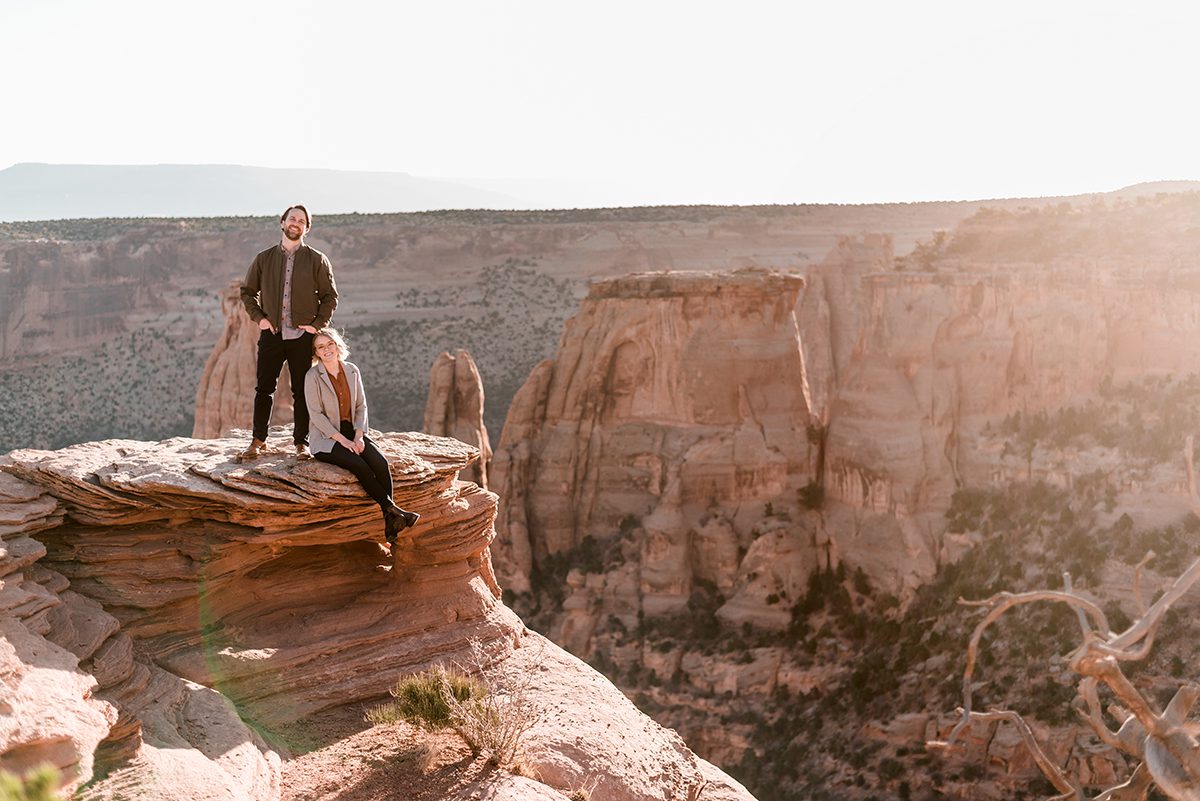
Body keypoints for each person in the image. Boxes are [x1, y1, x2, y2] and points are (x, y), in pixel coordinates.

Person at [238, 204, 339, 460]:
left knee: (302, 391)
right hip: (272, 334)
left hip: (301, 338)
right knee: (264, 389)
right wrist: (259, 318)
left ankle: (301, 443)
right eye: (292, 218)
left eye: (301, 221)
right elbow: (247, 292)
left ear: (307, 228)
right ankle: (258, 440)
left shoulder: (317, 260)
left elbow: (330, 297)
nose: (296, 223)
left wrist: (316, 326)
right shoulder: (264, 258)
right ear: (282, 223)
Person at [305, 328, 420, 545]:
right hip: (327, 438)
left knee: (380, 462)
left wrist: (358, 435)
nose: (326, 350)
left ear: (337, 345)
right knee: (360, 466)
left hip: (353, 431)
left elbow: (361, 406)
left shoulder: (352, 370)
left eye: (330, 344)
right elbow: (316, 415)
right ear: (316, 353)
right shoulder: (313, 376)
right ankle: (393, 512)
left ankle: (391, 519)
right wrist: (344, 441)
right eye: (321, 347)